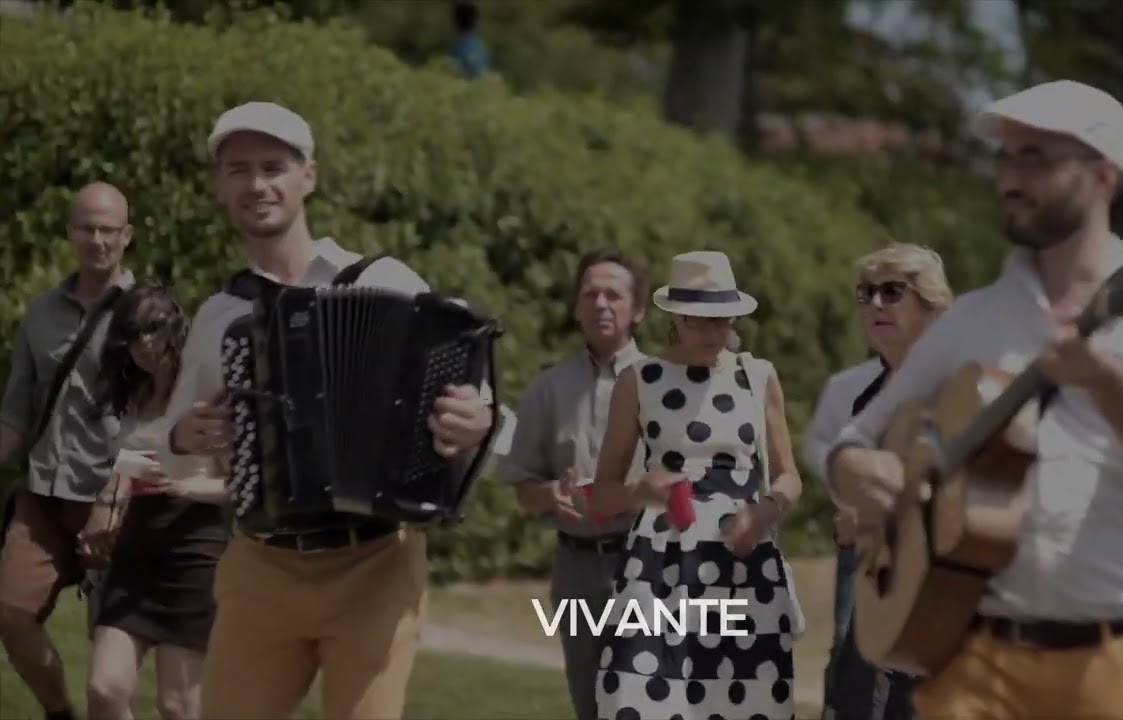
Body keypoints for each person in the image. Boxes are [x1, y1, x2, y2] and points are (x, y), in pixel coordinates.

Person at [826, 80, 1123, 718]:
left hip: (1115, 664)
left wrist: (1106, 381)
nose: (1011, 178)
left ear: (1104, 175)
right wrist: (858, 473)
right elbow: (855, 439)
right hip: (973, 664)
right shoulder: (976, 317)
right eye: (1007, 158)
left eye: (1036, 158)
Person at [158, 101, 495, 720]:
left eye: (273, 167)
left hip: (375, 565)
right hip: (261, 567)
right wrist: (185, 435)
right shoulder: (221, 314)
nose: (257, 185)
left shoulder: (385, 280)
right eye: (238, 170)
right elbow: (170, 444)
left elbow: (483, 409)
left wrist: (476, 422)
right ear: (220, 187)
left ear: (307, 177)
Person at [588, 250, 804, 720]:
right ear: (675, 317)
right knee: (637, 699)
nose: (714, 332)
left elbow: (790, 477)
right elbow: (601, 494)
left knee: (745, 702)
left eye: (723, 320)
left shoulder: (757, 376)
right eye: (701, 320)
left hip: (743, 566)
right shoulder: (639, 380)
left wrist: (765, 511)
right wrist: (640, 491)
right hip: (658, 565)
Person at [0, 182, 137, 720]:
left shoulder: (149, 314)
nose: (97, 240)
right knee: (10, 613)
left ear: (126, 236)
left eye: (108, 230)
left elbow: (159, 422)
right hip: (43, 495)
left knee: (109, 669)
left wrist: (120, 495)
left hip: (113, 503)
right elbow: (16, 413)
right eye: (87, 228)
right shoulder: (40, 314)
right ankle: (59, 713)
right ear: (70, 232)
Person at [803, 243, 954, 720]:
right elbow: (825, 454)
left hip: (945, 578)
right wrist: (851, 503)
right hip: (868, 566)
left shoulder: (961, 384)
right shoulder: (851, 389)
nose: (875, 305)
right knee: (854, 687)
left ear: (931, 304)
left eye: (892, 292)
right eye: (865, 294)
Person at [499, 249, 650, 720]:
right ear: (576, 307)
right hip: (577, 571)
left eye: (614, 295)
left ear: (638, 310)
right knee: (591, 704)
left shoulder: (666, 384)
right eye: (590, 294)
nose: (601, 304)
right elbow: (523, 490)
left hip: (648, 564)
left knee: (645, 702)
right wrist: (550, 495)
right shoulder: (547, 388)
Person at [81, 281, 228, 720]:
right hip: (134, 552)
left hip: (194, 552)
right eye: (132, 333)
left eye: (154, 328)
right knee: (104, 689)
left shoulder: (204, 393)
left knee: (178, 706)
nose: (144, 343)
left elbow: (240, 485)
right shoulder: (135, 394)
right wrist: (106, 510)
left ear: (174, 326)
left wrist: (186, 486)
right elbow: (126, 466)